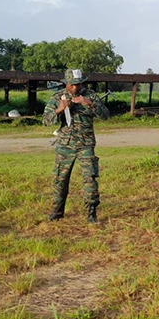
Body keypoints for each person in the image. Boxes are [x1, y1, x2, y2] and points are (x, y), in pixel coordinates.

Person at [43, 69, 110, 223]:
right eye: (72, 84)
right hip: (65, 145)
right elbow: (46, 120)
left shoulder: (90, 95)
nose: (75, 87)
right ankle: (57, 211)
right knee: (60, 178)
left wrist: (90, 104)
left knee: (90, 178)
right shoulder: (57, 97)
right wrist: (60, 109)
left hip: (86, 145)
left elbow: (105, 115)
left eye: (78, 84)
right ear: (66, 83)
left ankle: (91, 212)